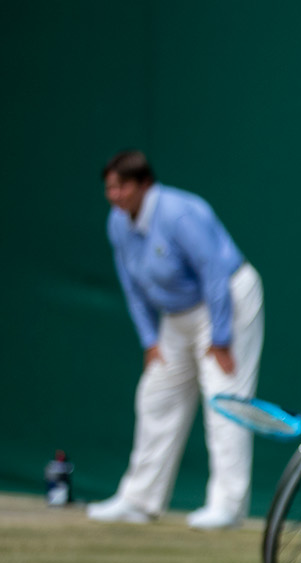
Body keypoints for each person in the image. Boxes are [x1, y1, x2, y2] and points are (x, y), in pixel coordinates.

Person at [89, 151, 265, 530]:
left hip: (226, 302)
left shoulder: (180, 213)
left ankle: (228, 506)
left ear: (143, 185)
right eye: (110, 188)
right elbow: (131, 285)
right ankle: (139, 499)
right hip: (176, 317)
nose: (115, 195)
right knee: (155, 395)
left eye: (121, 187)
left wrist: (220, 338)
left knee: (224, 398)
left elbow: (214, 272)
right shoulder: (118, 224)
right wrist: (149, 339)